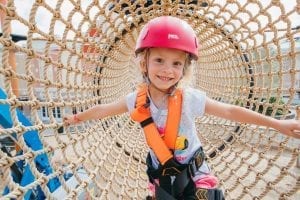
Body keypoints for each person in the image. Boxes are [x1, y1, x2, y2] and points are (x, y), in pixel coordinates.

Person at [63, 16, 300, 200]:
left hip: (195, 175)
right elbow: (104, 109)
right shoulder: (135, 99)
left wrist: (277, 124)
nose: (167, 70)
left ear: (184, 68)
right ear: (143, 63)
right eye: (159, 60)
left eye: (176, 63)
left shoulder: (189, 99)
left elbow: (229, 111)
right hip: (161, 177)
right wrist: (78, 117)